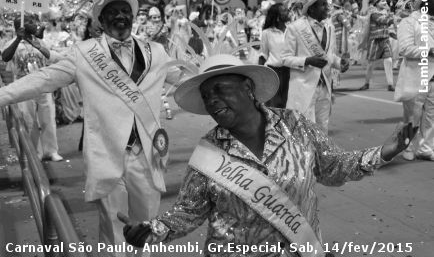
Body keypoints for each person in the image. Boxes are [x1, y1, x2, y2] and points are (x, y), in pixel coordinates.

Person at [118, 53, 417, 257]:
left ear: (248, 88)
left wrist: (383, 153)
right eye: (207, 96)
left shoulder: (295, 125)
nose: (212, 101)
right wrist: (151, 229)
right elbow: (188, 210)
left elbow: (332, 167)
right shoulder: (209, 151)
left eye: (220, 89)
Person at [0, 0, 176, 257]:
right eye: (112, 11)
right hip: (107, 156)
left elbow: (191, 80)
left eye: (124, 11)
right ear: (101, 20)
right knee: (115, 237)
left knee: (145, 232)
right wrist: (2, 95)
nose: (120, 16)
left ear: (132, 16)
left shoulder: (158, 52)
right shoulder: (83, 54)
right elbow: (44, 79)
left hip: (147, 156)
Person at [281, 0, 350, 133]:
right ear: (311, 8)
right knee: (305, 131)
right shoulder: (295, 28)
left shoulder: (329, 27)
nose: (328, 8)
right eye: (323, 5)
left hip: (325, 86)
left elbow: (329, 56)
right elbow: (285, 59)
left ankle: (320, 158)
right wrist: (307, 60)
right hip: (304, 88)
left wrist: (340, 64)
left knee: (322, 128)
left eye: (327, 4)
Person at [1, 14, 63, 162]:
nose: (34, 24)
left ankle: (51, 151)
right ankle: (35, 152)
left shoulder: (40, 41)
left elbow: (50, 57)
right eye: (29, 22)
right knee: (29, 121)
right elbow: (5, 57)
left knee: (48, 119)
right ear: (20, 25)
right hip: (24, 88)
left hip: (44, 86)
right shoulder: (11, 43)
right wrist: (18, 39)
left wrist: (39, 45)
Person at [396, 0, 434, 161]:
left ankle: (426, 147)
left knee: (431, 115)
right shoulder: (409, 21)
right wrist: (428, 51)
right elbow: (404, 48)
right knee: (412, 114)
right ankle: (407, 145)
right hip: (416, 75)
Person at [359, 0, 395, 91]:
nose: (385, 2)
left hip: (385, 39)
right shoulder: (373, 13)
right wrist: (392, 17)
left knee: (389, 61)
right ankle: (366, 83)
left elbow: (388, 23)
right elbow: (382, 21)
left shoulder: (385, 12)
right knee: (371, 63)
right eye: (383, 1)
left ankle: (390, 84)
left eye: (385, 1)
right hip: (375, 41)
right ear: (377, 3)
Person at [259, 2, 290, 108]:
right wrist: (261, 76)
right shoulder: (267, 33)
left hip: (290, 72)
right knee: (273, 106)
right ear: (277, 15)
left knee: (288, 104)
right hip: (273, 73)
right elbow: (263, 55)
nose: (287, 12)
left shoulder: (292, 30)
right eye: (284, 11)